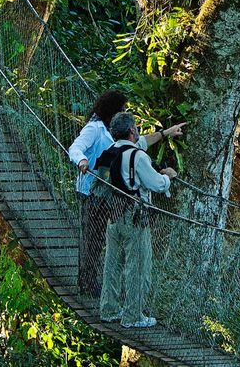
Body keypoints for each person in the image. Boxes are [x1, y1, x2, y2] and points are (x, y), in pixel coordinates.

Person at [67, 91, 185, 296]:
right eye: (121, 109)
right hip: (91, 191)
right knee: (91, 239)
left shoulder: (115, 134)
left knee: (108, 241)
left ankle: (103, 288)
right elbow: (75, 147)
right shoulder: (94, 129)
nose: (123, 112)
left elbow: (139, 142)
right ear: (112, 110)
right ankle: (86, 284)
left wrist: (165, 133)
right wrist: (82, 161)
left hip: (111, 193)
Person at [94, 112, 176, 328]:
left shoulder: (110, 152)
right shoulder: (137, 156)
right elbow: (156, 184)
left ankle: (109, 309)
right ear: (132, 130)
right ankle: (133, 316)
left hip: (113, 216)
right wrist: (168, 176)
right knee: (138, 266)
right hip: (134, 217)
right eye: (136, 128)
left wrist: (165, 133)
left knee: (112, 265)